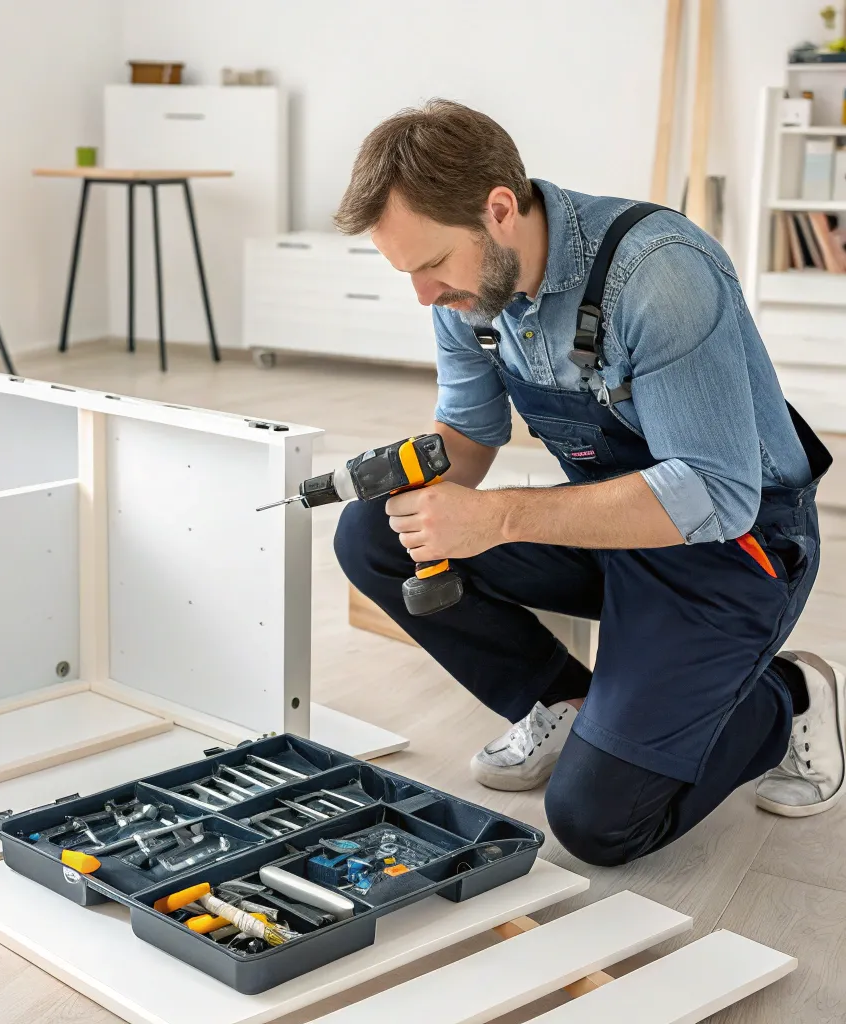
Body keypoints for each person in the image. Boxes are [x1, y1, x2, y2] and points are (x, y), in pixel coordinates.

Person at [331, 99, 844, 867]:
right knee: (378, 531)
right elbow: (469, 439)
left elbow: (715, 493)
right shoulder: (468, 294)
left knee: (598, 823)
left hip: (732, 552)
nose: (424, 296)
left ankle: (787, 697)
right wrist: (401, 477)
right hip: (611, 536)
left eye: (432, 265)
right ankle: (568, 704)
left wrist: (497, 520)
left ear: (498, 209)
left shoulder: (660, 276)